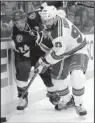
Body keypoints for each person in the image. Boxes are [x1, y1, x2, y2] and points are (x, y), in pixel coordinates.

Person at [35, 5, 89, 116]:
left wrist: (44, 63)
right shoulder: (56, 17)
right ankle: (68, 100)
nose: (46, 23)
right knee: (57, 80)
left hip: (78, 49)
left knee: (77, 75)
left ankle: (78, 104)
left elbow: (57, 53)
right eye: (44, 20)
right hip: (64, 51)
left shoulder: (60, 33)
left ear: (54, 18)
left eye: (49, 20)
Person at [12, 9, 62, 111]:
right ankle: (23, 97)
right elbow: (26, 53)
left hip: (38, 51)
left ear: (25, 19)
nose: (19, 25)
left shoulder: (33, 17)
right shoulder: (17, 35)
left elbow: (44, 10)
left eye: (21, 22)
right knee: (23, 68)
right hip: (25, 54)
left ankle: (54, 96)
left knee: (46, 72)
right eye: (16, 23)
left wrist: (46, 26)